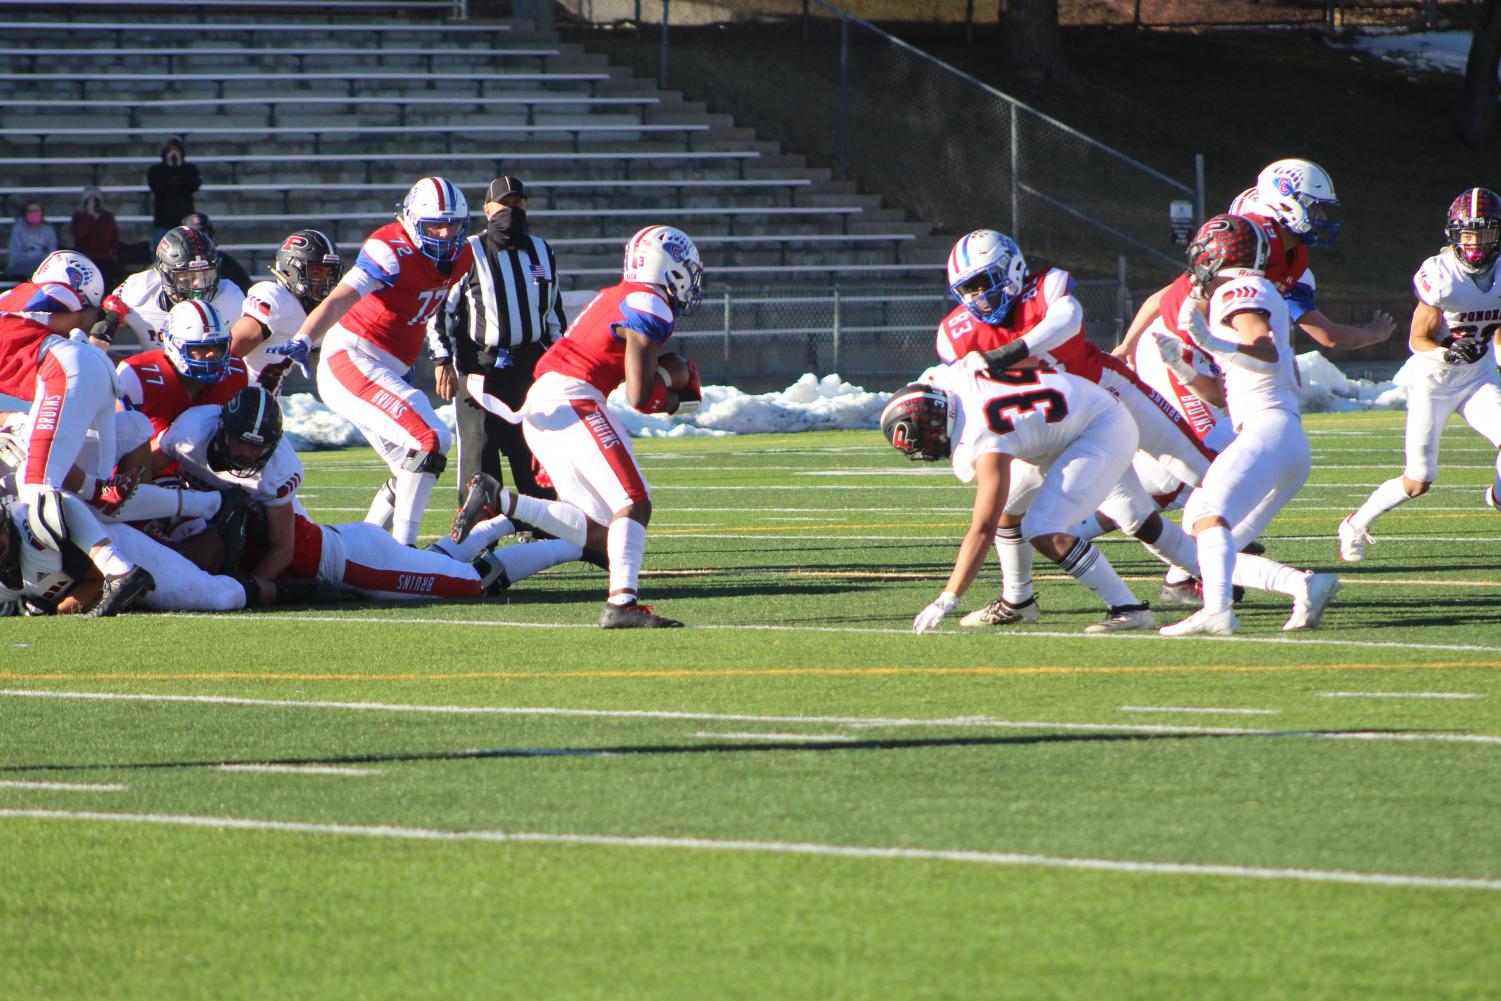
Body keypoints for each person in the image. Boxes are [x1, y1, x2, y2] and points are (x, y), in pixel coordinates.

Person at [1159, 215, 1341, 636]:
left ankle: (1217, 611)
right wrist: (1182, 367)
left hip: (1268, 431)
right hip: (1280, 437)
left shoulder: (1239, 288)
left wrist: (1209, 341)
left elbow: (1264, 350)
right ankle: (1304, 585)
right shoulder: (1254, 289)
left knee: (1205, 513)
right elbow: (1228, 391)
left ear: (1218, 252)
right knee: (1205, 542)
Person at [517, 224, 704, 628]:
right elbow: (639, 396)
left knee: (599, 527)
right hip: (573, 397)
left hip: (543, 401)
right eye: (686, 267)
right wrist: (673, 399)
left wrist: (669, 373)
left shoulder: (617, 295)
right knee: (634, 500)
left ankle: (502, 505)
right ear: (668, 267)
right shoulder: (649, 301)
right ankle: (622, 604)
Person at [882, 362, 1157, 635]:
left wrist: (948, 597)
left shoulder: (980, 438)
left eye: (924, 441)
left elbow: (982, 529)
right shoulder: (945, 381)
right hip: (1072, 418)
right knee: (1009, 508)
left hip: (1100, 428)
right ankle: (1019, 601)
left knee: (1042, 527)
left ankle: (1129, 608)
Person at [272, 176, 473, 547]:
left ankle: (360, 549)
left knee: (409, 468)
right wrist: (305, 337)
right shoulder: (390, 248)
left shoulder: (464, 256)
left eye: (453, 225)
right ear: (413, 220)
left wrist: (442, 353)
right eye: (436, 226)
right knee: (431, 439)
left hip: (389, 366)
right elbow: (340, 298)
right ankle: (404, 549)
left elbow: (435, 309)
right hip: (352, 357)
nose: (445, 235)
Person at [1339, 188, 1501, 559]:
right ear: (1453, 233)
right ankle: (1355, 523)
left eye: (1484, 233)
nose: (1474, 243)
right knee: (1418, 480)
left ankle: (1498, 496)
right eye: (1467, 233)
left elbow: (1497, 326)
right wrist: (1448, 352)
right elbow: (1417, 339)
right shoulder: (1441, 276)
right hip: (1434, 381)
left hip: (1478, 377)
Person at [429, 175, 567, 502]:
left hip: (528, 367)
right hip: (480, 368)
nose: (511, 210)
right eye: (503, 204)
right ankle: (478, 533)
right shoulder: (466, 250)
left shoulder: (541, 250)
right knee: (480, 454)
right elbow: (439, 310)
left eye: (517, 204)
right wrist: (441, 359)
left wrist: (561, 365)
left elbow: (554, 314)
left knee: (533, 450)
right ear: (487, 209)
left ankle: (543, 530)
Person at [229, 229, 342, 393]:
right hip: (236, 400)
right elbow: (228, 356)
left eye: (328, 273)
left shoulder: (320, 310)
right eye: (317, 272)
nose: (325, 281)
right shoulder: (276, 300)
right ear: (289, 271)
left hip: (265, 403)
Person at [102, 225, 245, 349]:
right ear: (164, 274)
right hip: (158, 375)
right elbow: (100, 334)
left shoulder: (230, 296)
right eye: (188, 277)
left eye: (205, 274)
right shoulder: (139, 291)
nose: (198, 283)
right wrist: (112, 318)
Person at [180, 211, 253, 292]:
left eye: (204, 234)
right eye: (193, 236)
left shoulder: (225, 261)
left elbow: (246, 288)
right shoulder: (177, 263)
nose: (199, 240)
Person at [146, 136, 200, 243]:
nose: (173, 153)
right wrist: (169, 168)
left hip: (185, 222)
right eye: (170, 150)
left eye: (176, 150)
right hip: (163, 222)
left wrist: (180, 167)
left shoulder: (190, 169)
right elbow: (157, 187)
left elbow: (194, 185)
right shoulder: (156, 171)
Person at [70, 187, 122, 291]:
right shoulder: (78, 216)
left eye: (95, 199)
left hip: (105, 257)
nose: (93, 202)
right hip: (85, 257)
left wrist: (109, 253)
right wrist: (88, 216)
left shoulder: (108, 217)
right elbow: (79, 234)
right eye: (90, 199)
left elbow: (113, 238)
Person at [7, 200, 57, 279]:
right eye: (30, 211)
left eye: (36, 211)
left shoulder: (48, 230)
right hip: (21, 267)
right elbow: (16, 255)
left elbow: (52, 252)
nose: (33, 214)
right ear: (25, 213)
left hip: (43, 266)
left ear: (41, 213)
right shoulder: (18, 229)